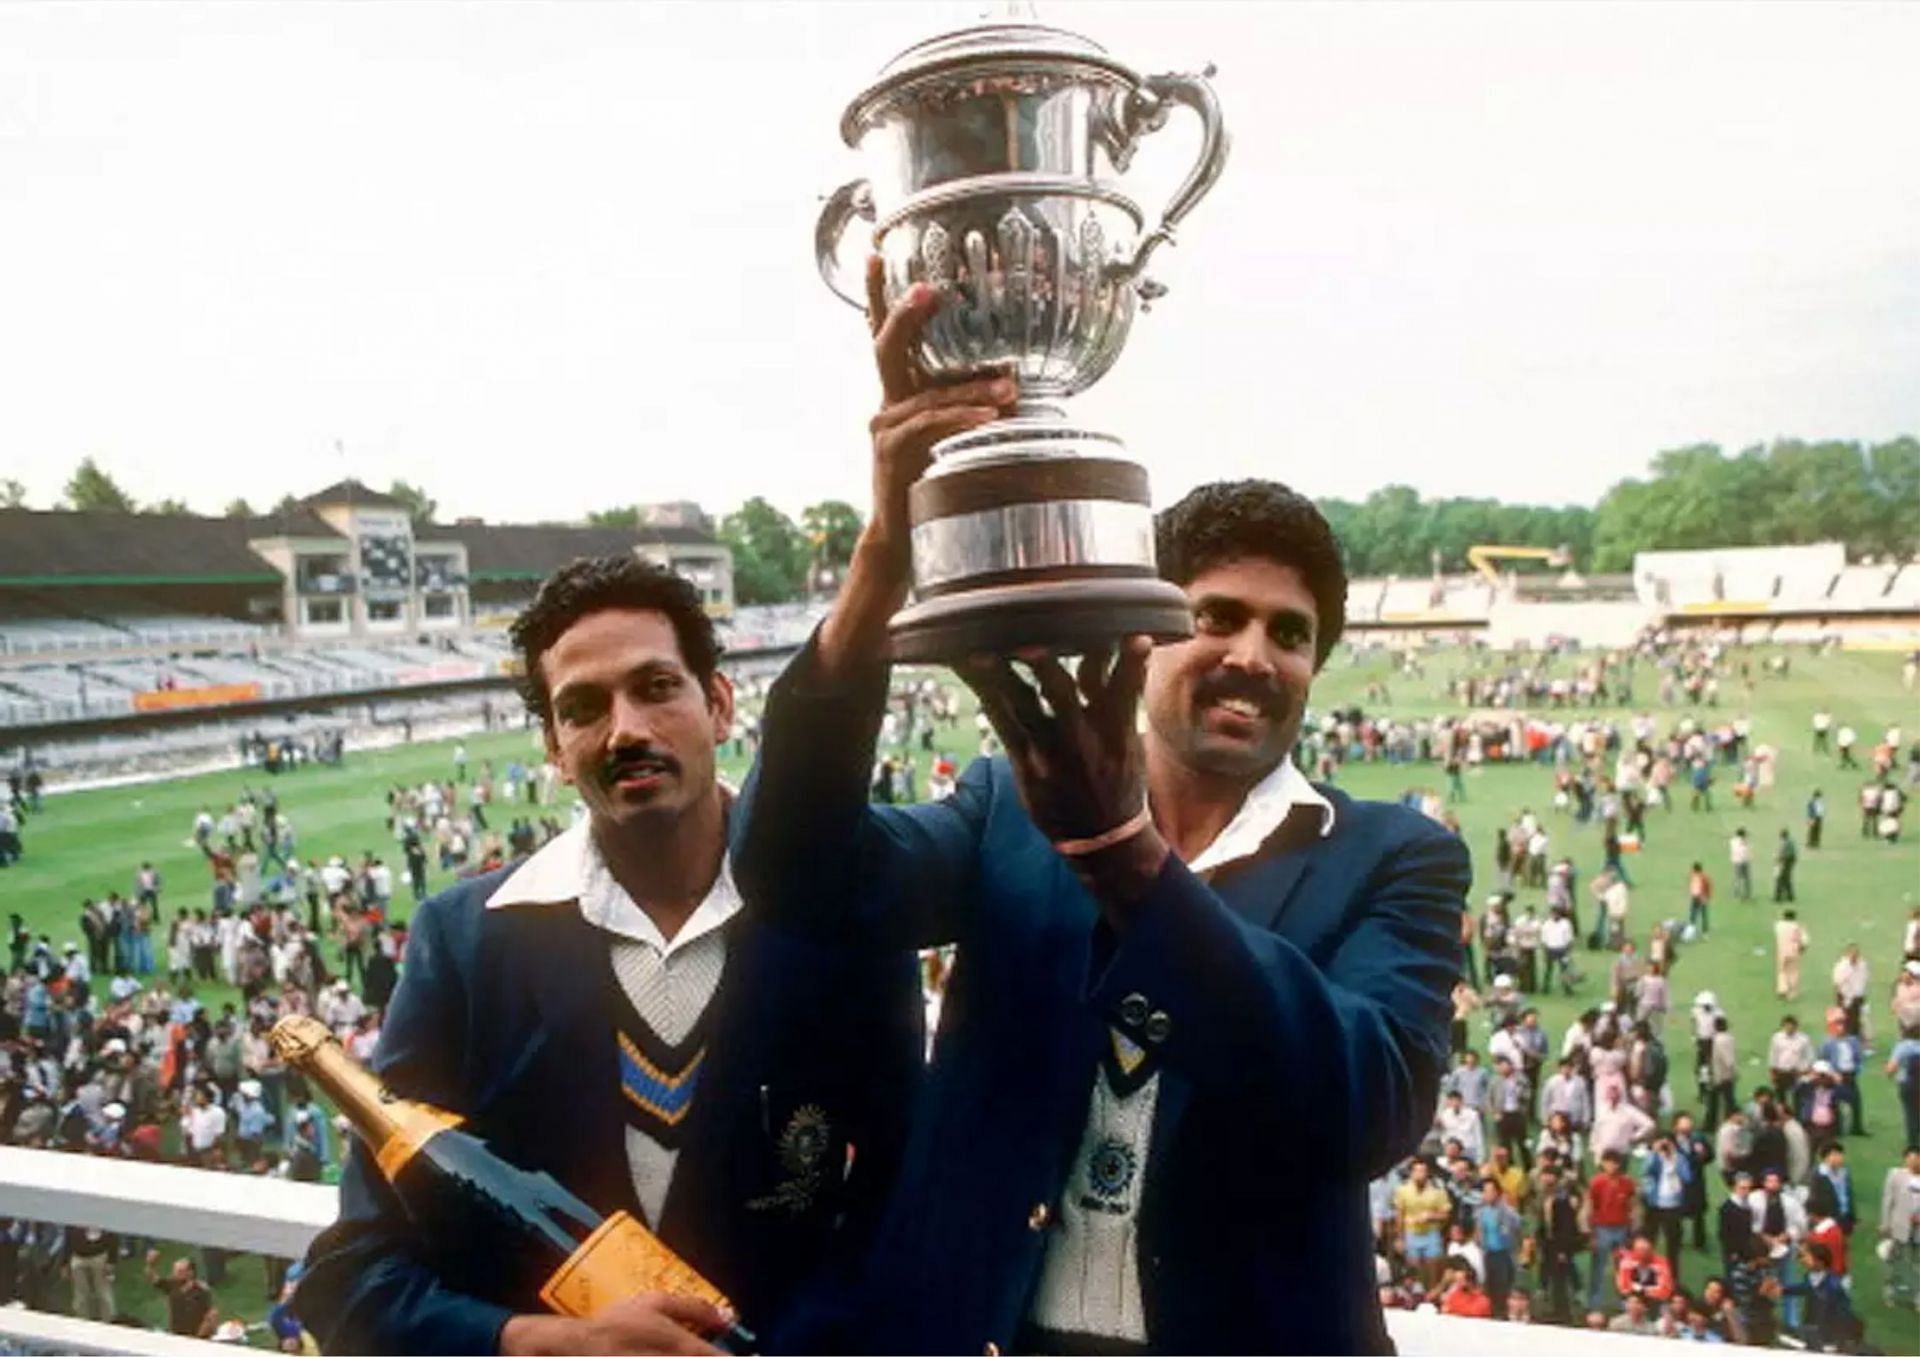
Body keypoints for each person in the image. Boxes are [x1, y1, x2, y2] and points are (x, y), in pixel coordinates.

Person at [734, 279, 1471, 1354]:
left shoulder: (1391, 856)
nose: (1252, 655)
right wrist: (885, 554)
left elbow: (1364, 1105)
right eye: (1214, 614)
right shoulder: (1006, 811)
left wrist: (1125, 857)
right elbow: (793, 872)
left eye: (1290, 631)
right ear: (1146, 622)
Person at [294, 558, 922, 1354]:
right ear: (555, 749)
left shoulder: (848, 914)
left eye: (657, 686)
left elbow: (901, 1213)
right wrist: (546, 1343)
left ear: (721, 704)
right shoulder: (465, 942)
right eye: (584, 708)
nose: (626, 729)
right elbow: (348, 1272)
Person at [1880, 1144, 1920, 1313]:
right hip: (1900, 1226)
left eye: (1917, 1157)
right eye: (1911, 1157)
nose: (1914, 1161)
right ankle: (1890, 1290)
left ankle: (1917, 1296)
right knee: (1893, 1260)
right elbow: (1888, 1201)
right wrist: (1885, 1224)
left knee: (1917, 1263)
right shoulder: (1895, 1175)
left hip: (1918, 1230)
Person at [1774, 911, 1809, 1001]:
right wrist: (1802, 949)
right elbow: (1804, 940)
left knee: (1782, 970)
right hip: (1794, 951)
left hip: (1782, 951)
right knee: (1793, 972)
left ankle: (1782, 989)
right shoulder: (1797, 927)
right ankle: (1791, 992)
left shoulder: (1779, 925)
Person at [1772, 829, 1797, 904]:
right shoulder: (1791, 842)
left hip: (1785, 862)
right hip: (1790, 862)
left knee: (1780, 880)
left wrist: (1777, 860)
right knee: (1787, 880)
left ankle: (1778, 897)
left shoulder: (1785, 843)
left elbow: (1782, 855)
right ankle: (1790, 897)